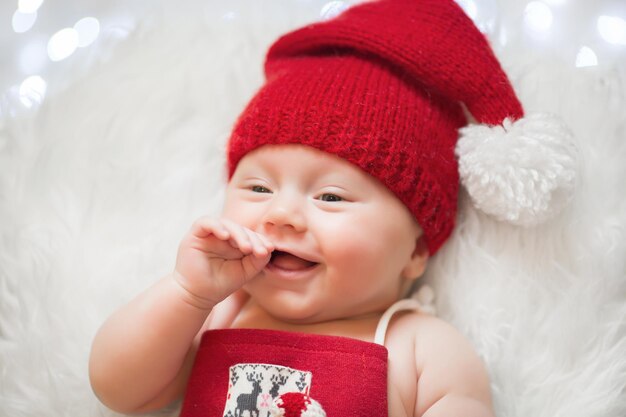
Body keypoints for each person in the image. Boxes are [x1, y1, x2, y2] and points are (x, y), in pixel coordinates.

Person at [89, 0, 577, 416]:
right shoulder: (222, 314)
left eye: (330, 198)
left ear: (415, 250)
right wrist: (187, 293)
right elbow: (118, 390)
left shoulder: (420, 347)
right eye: (258, 189)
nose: (281, 215)